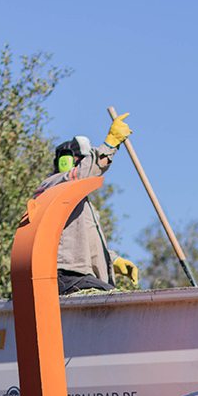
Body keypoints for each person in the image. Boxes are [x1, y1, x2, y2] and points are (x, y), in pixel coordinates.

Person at [34, 112, 139, 295]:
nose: (88, 164)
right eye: (84, 159)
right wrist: (109, 145)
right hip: (64, 275)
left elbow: (83, 239)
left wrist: (112, 260)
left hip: (80, 277)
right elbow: (83, 174)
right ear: (65, 161)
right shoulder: (53, 185)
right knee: (117, 302)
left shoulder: (82, 206)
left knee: (114, 299)